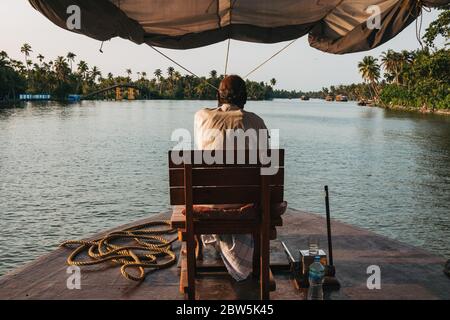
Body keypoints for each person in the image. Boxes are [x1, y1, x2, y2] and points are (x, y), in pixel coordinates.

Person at [193, 75, 269, 281]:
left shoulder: (201, 117)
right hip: (247, 204)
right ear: (244, 98)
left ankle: (198, 247)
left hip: (208, 203)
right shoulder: (257, 122)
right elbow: (266, 163)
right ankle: (255, 256)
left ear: (218, 96)